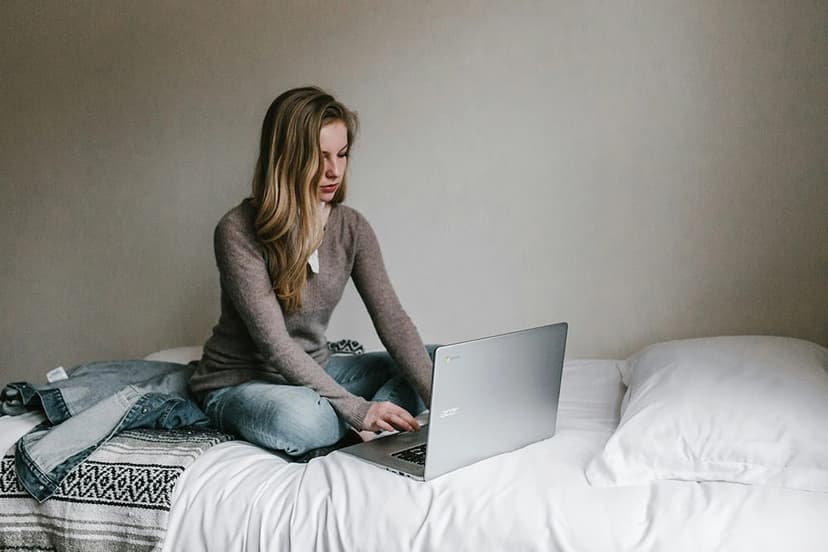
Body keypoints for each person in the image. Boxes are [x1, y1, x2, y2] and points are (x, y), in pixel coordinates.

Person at [189, 86, 434, 461]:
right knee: (305, 421)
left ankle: (379, 428)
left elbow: (393, 320)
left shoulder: (351, 227)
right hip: (242, 381)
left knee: (438, 362)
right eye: (319, 158)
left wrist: (440, 399)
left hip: (319, 370)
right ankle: (361, 421)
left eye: (342, 154)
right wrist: (357, 408)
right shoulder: (237, 230)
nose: (334, 170)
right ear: (287, 158)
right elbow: (275, 345)